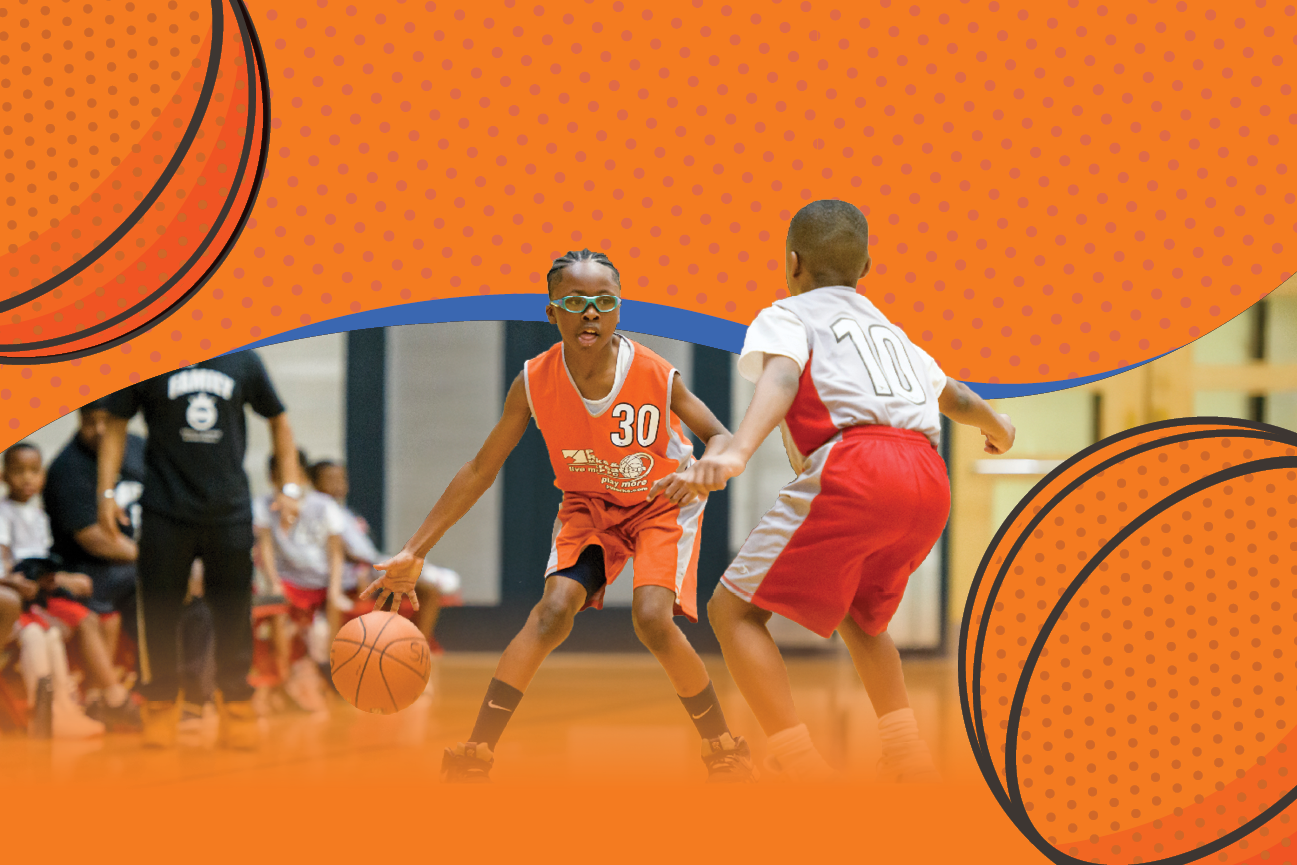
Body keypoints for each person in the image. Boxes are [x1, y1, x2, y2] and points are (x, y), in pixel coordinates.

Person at [657, 200, 1017, 782]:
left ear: (792, 262)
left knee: (732, 611)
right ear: (866, 266)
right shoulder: (892, 333)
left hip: (858, 468)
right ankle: (907, 754)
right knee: (863, 617)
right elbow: (954, 395)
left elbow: (781, 375)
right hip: (928, 480)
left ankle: (798, 763)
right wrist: (998, 427)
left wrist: (738, 449)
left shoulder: (788, 314)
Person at [363, 250, 754, 783]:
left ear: (619, 311)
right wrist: (415, 550)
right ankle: (475, 752)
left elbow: (721, 436)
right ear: (552, 312)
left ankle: (724, 747)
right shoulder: (533, 381)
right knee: (550, 613)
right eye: (575, 301)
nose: (590, 311)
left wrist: (706, 469)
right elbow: (479, 469)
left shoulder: (656, 373)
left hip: (662, 503)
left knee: (652, 619)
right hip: (589, 506)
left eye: (604, 302)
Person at [95, 352, 305, 750]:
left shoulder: (243, 360)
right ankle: (159, 706)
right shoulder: (148, 356)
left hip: (228, 508)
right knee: (158, 611)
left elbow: (278, 417)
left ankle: (236, 706)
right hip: (164, 507)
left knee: (233, 611)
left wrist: (290, 487)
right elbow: (116, 422)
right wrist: (105, 492)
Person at [43, 400, 147, 729]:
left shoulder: (139, 448)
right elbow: (93, 539)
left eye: (107, 421)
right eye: (91, 422)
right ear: (79, 419)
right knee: (105, 602)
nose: (100, 430)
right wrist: (153, 558)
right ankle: (106, 697)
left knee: (183, 593)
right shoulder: (66, 468)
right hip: (87, 566)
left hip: (133, 562)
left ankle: (183, 689)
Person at [0, 443, 108, 738]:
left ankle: (65, 708)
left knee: (51, 635)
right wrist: (15, 582)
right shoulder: (3, 513)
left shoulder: (38, 515)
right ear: (3, 476)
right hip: (14, 597)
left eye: (34, 471)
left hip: (34, 596)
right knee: (35, 636)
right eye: (18, 471)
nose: (27, 478)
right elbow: (4, 564)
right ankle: (44, 712)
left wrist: (50, 579)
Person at [310, 459, 461, 651]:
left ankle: (415, 647)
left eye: (341, 478)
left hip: (374, 567)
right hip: (356, 577)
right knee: (428, 590)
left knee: (424, 588)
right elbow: (337, 552)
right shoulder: (319, 513)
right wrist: (362, 568)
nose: (338, 483)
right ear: (315, 483)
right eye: (330, 479)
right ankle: (418, 648)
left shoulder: (346, 512)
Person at [253, 449, 347, 714]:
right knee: (276, 613)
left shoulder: (324, 506)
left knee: (333, 615)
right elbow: (265, 546)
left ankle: (331, 671)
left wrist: (335, 588)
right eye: (279, 475)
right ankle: (283, 678)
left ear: (304, 476)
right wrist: (273, 582)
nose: (285, 481)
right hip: (288, 582)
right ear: (271, 478)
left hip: (321, 581)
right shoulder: (264, 505)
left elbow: (336, 551)